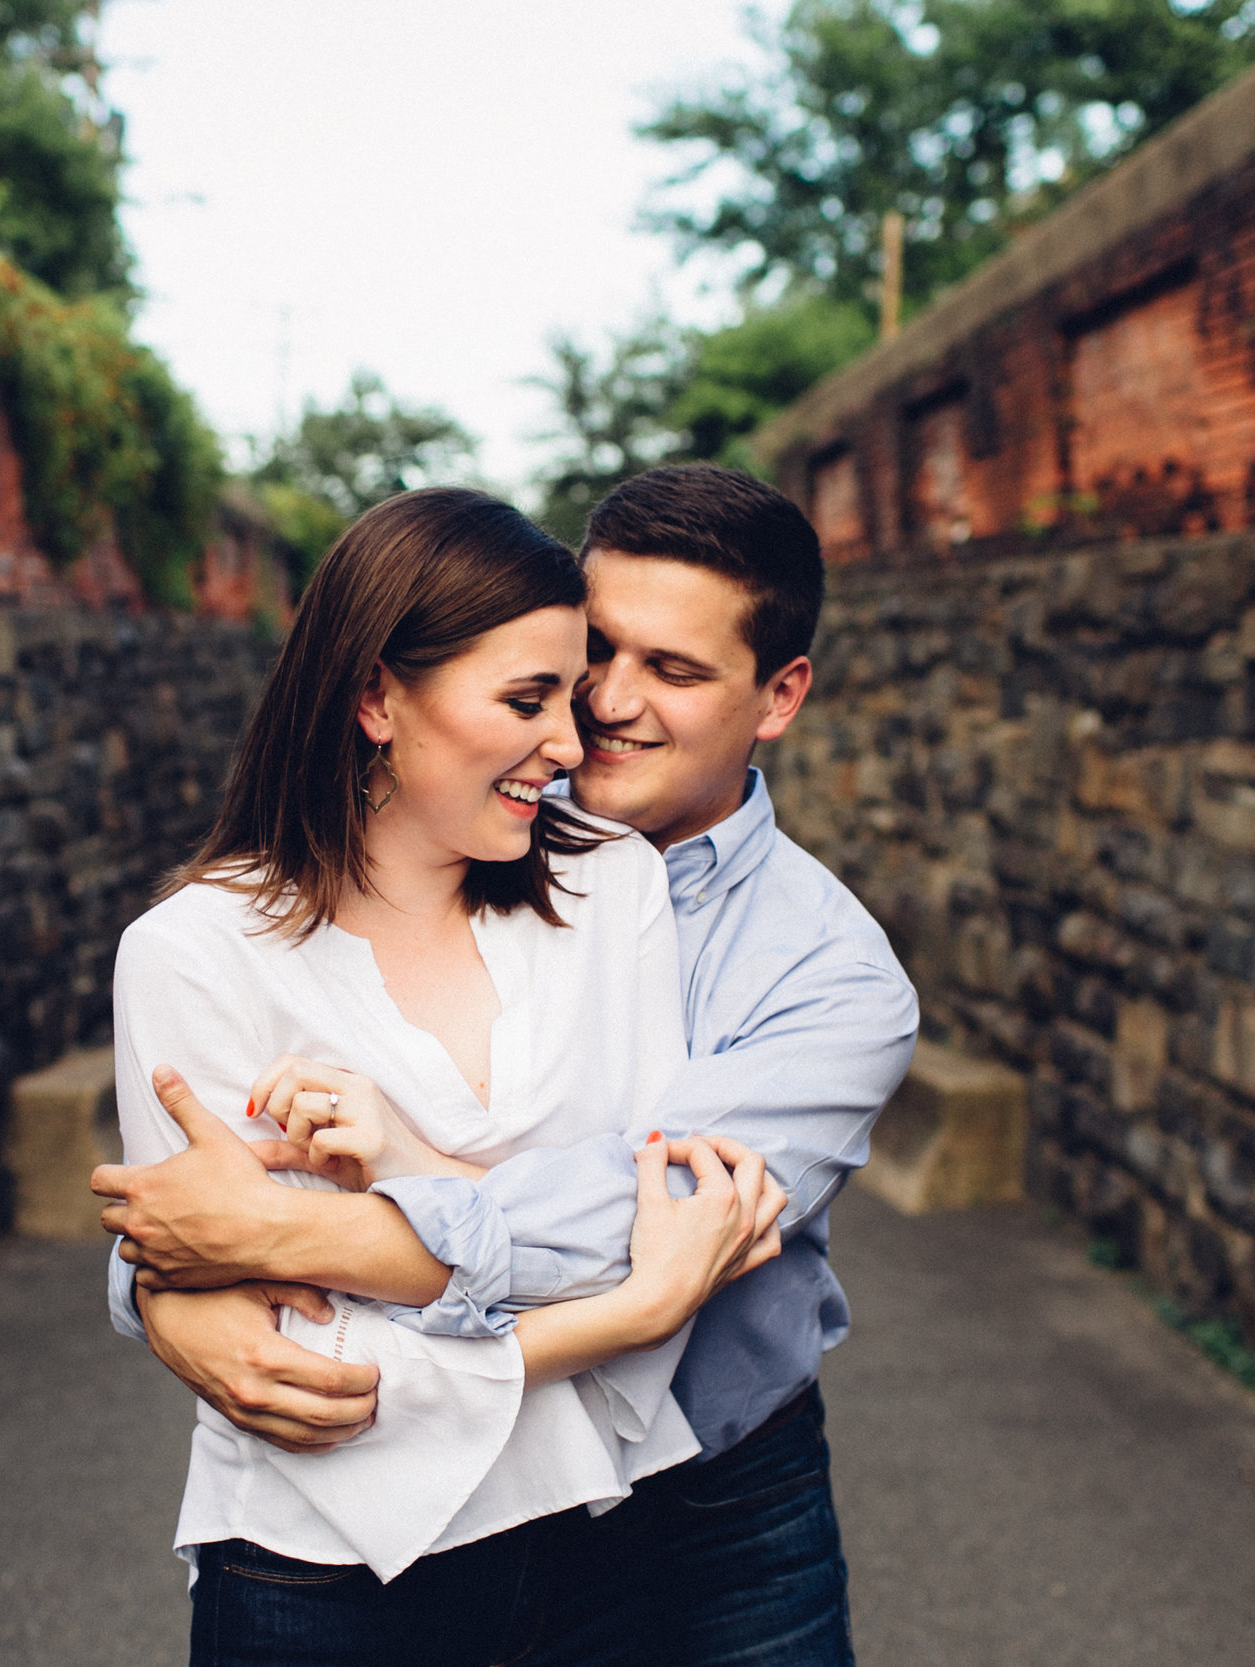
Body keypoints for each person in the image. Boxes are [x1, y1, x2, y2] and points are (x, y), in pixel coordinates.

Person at [99, 463, 920, 1666]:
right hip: (350, 1531)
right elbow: (188, 1203)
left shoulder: (825, 974)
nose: (599, 711)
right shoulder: (468, 861)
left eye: (675, 671)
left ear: (779, 693)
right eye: (591, 659)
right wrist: (170, 1285)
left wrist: (266, 1238)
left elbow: (628, 1220)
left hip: (713, 1478)